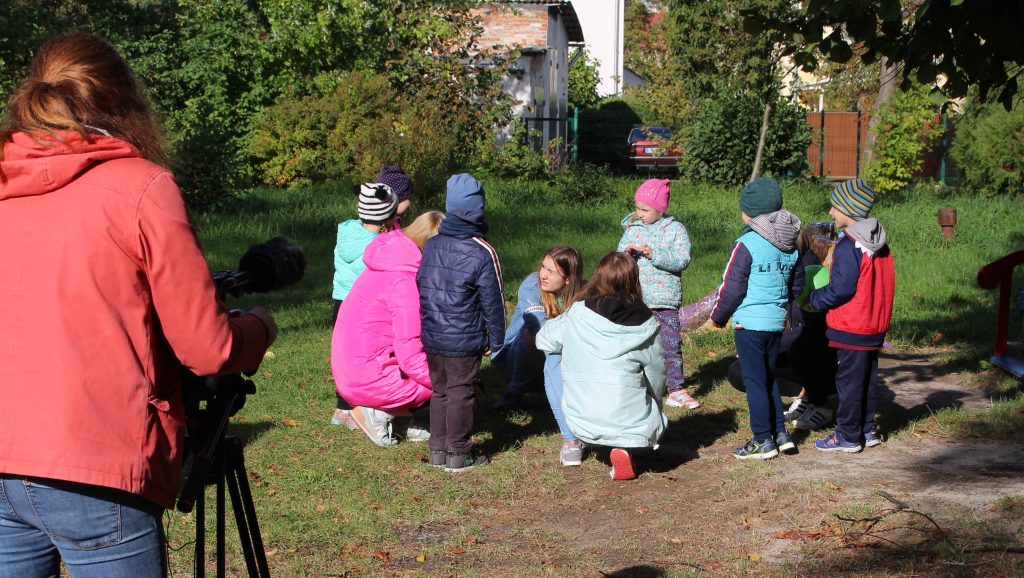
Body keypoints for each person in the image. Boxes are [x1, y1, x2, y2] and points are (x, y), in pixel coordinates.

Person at [0, 33, 276, 576]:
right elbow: (208, 348)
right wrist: (259, 329)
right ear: (123, 102)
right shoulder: (142, 187)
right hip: (97, 467)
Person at [536, 252, 667, 481]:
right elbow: (656, 371)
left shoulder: (579, 311)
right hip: (632, 420)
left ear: (598, 277)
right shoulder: (648, 321)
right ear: (634, 280)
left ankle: (581, 440)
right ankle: (622, 447)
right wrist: (655, 402)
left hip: (581, 415)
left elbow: (543, 340)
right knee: (639, 399)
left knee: (554, 354)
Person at [332, 211, 445, 446]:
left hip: (350, 371)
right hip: (370, 379)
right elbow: (411, 355)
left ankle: (408, 420)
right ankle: (377, 412)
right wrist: (449, 383)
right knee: (452, 379)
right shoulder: (405, 284)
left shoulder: (384, 264)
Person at [417, 173, 505, 472]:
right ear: (479, 210)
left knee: (440, 390)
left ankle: (437, 449)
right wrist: (496, 339)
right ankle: (458, 452)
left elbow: (422, 287)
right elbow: (493, 301)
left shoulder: (432, 245)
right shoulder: (483, 251)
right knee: (460, 391)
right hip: (464, 337)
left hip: (432, 335)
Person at [710, 178, 800, 460]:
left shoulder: (746, 243)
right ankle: (780, 433)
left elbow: (732, 285)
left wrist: (719, 316)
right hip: (775, 323)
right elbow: (795, 285)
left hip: (750, 325)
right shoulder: (788, 243)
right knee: (768, 377)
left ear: (750, 213)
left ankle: (763, 439)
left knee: (755, 382)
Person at [808, 179, 895, 453]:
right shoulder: (879, 242)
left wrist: (815, 299)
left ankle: (847, 435)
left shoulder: (848, 246)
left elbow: (841, 289)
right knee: (867, 380)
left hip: (851, 326)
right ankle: (867, 428)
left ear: (849, 209)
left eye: (835, 207)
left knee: (848, 383)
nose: (831, 213)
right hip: (873, 324)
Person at [727, 221, 839, 431]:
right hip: (787, 348)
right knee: (738, 370)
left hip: (818, 355)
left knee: (801, 350)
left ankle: (820, 402)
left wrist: (766, 346)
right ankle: (804, 394)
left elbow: (804, 330)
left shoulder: (811, 276)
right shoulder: (776, 276)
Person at [491, 247, 587, 466]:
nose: (543, 274)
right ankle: (514, 392)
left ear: (568, 279)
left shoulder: (583, 294)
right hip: (513, 360)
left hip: (561, 363)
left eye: (551, 271)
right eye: (543, 267)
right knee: (533, 336)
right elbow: (542, 331)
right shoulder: (531, 286)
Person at [617, 178, 699, 409]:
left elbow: (681, 260)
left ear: (660, 208)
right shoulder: (632, 230)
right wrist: (627, 254)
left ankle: (677, 390)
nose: (639, 213)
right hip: (636, 299)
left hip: (665, 301)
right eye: (637, 207)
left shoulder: (675, 230)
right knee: (636, 345)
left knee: (670, 346)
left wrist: (655, 254)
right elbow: (618, 259)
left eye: (645, 209)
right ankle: (636, 386)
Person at [330, 183, 398, 426]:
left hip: (340, 300)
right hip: (362, 308)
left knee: (342, 355)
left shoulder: (346, 230)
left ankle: (342, 407)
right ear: (386, 216)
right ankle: (365, 405)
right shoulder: (378, 245)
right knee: (366, 355)